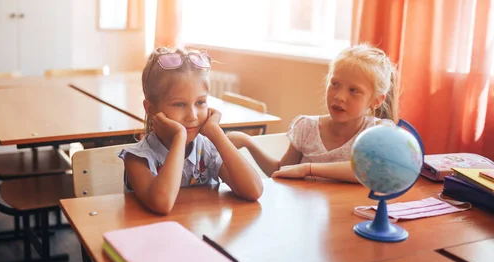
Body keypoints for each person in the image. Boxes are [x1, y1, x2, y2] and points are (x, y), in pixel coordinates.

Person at [118, 47, 264, 214]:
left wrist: (216, 133)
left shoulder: (207, 150)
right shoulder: (137, 158)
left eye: (200, 102)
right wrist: (180, 137)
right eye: (179, 104)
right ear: (150, 108)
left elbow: (254, 190)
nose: (192, 116)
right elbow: (162, 203)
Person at [228, 44, 399, 183]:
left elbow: (369, 171)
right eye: (335, 84)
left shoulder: (379, 132)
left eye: (353, 90)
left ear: (376, 100)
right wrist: (248, 142)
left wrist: (309, 169)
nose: (339, 96)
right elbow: (281, 172)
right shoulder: (307, 128)